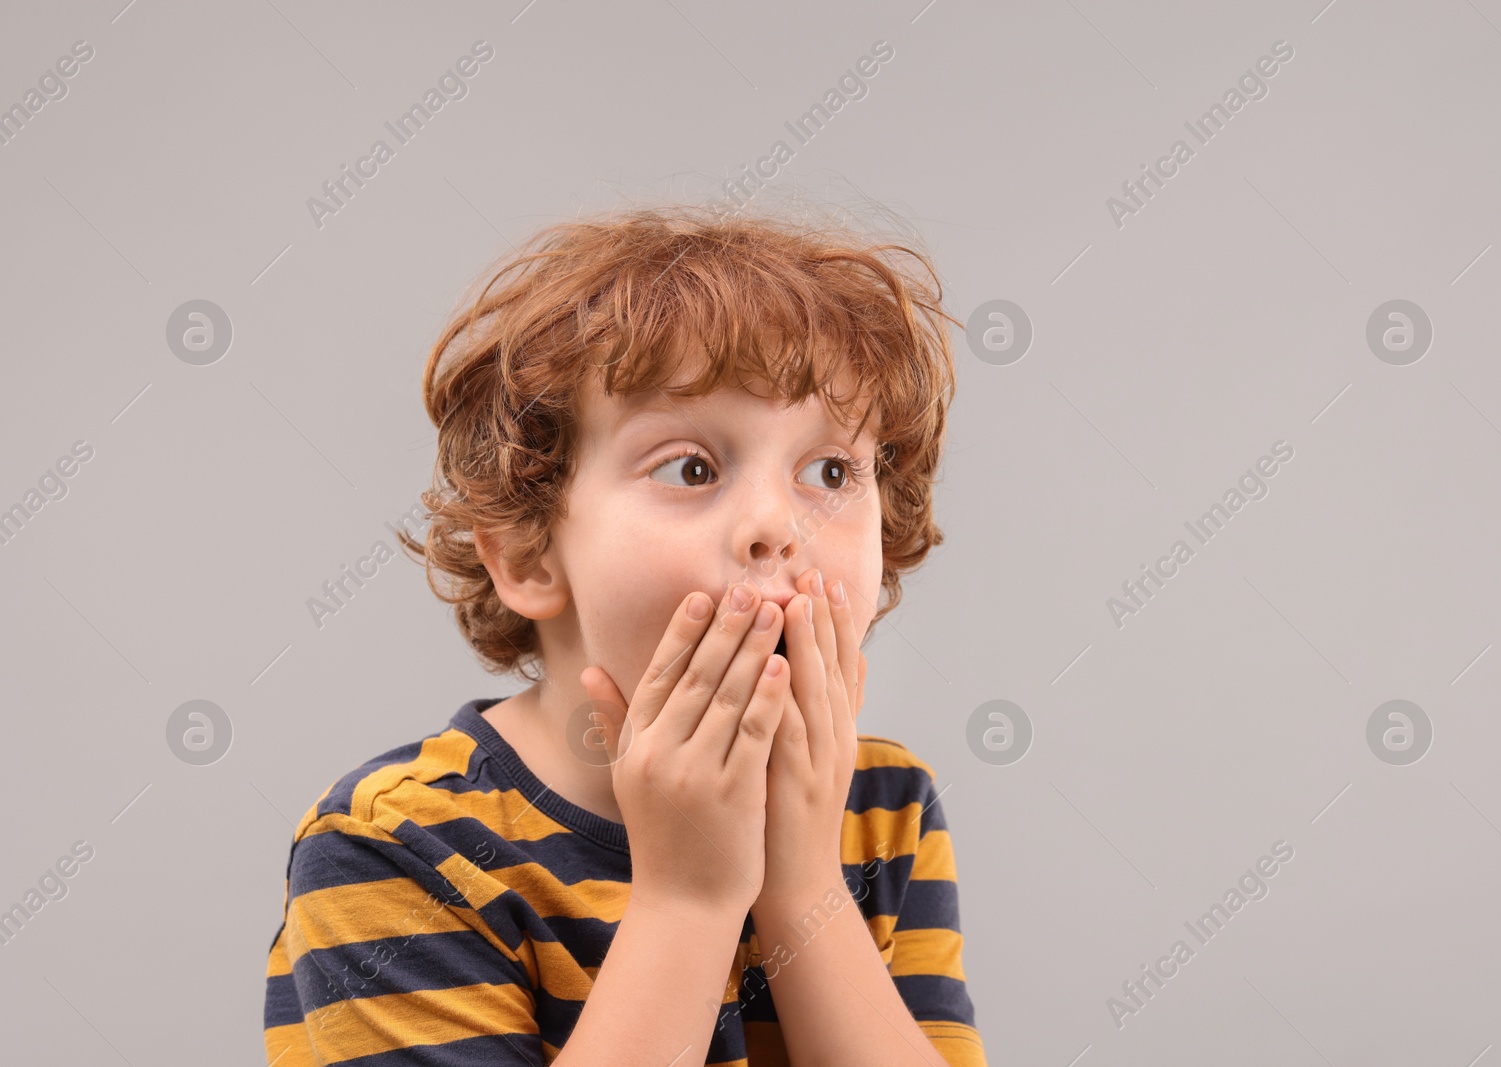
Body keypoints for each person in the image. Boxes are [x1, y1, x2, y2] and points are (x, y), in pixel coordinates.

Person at [262, 201, 987, 1066]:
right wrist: (689, 898)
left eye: (830, 470)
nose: (775, 524)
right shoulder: (395, 847)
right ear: (530, 553)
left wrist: (802, 886)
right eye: (691, 467)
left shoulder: (883, 806)